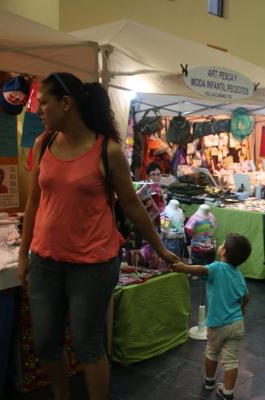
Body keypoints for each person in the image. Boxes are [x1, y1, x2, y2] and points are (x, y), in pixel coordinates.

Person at [18, 72, 181, 400]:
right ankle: (61, 396)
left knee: (87, 344)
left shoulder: (107, 151)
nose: (39, 109)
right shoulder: (44, 143)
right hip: (46, 260)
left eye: (44, 102)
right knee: (46, 341)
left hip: (92, 264)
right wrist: (24, 255)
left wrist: (161, 250)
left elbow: (133, 207)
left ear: (66, 103)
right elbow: (34, 202)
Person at [171, 234, 252, 400]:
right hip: (237, 324)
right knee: (231, 359)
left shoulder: (216, 268)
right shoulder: (239, 276)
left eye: (222, 244)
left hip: (218, 324)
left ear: (223, 252)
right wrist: (242, 308)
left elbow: (201, 269)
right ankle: (228, 392)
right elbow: (246, 297)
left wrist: (183, 267)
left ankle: (209, 381)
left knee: (212, 352)